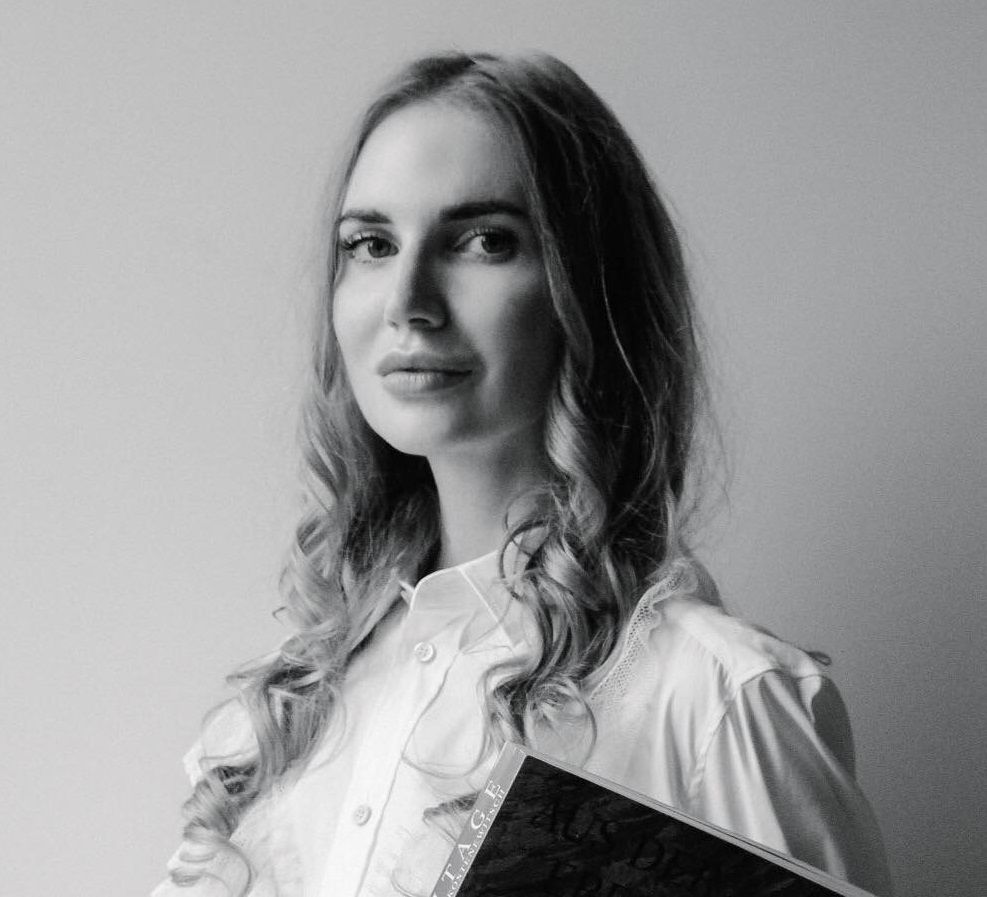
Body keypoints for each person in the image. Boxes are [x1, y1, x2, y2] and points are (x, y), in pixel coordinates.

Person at [153, 51, 893, 897]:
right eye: (371, 244)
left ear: (591, 288)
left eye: (483, 241)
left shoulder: (712, 702)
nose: (407, 301)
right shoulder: (276, 721)